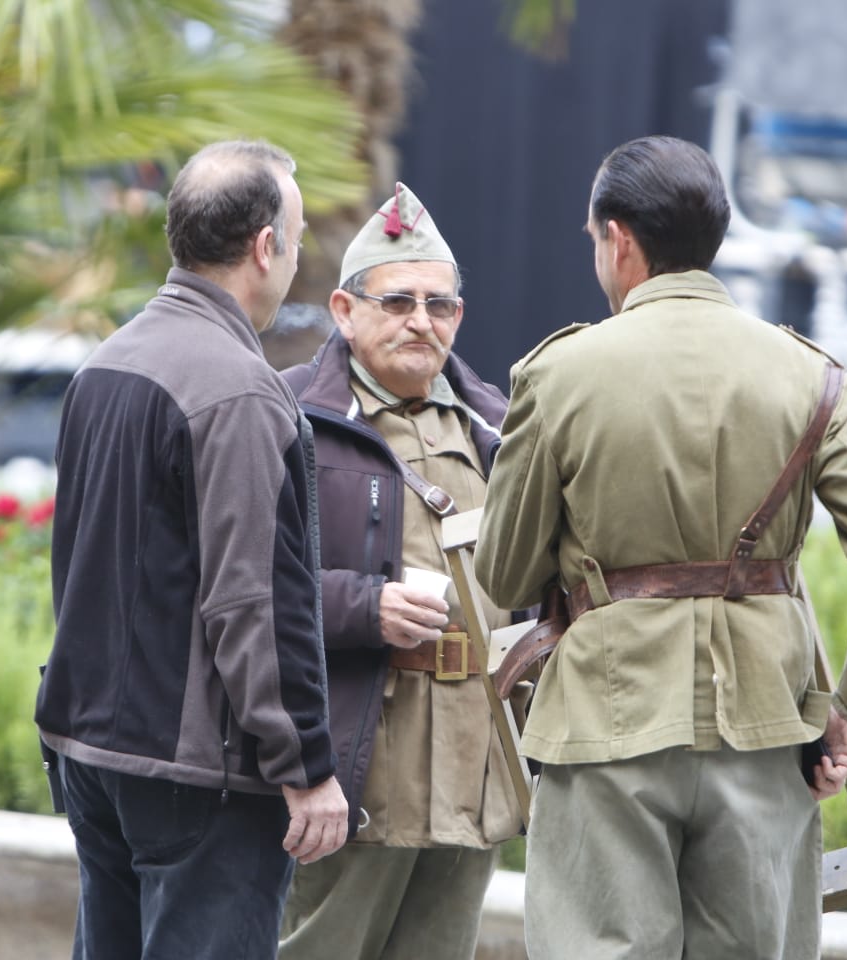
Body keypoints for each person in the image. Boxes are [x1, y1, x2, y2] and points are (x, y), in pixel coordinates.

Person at [475, 135, 847, 960]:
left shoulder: (560, 374)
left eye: (594, 240)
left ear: (619, 239)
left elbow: (505, 571)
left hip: (606, 722)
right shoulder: (810, 376)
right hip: (765, 727)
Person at [35, 139, 348, 960]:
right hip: (194, 775)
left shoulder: (105, 364)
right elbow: (254, 601)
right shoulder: (241, 393)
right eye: (299, 233)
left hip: (91, 752)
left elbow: (74, 564)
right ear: (264, 246)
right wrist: (305, 764)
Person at [277, 182, 521, 960]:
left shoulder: (501, 425)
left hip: (472, 757)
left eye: (440, 304)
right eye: (398, 301)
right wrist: (364, 606)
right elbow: (238, 589)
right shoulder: (290, 417)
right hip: (358, 755)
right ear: (343, 312)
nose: (422, 320)